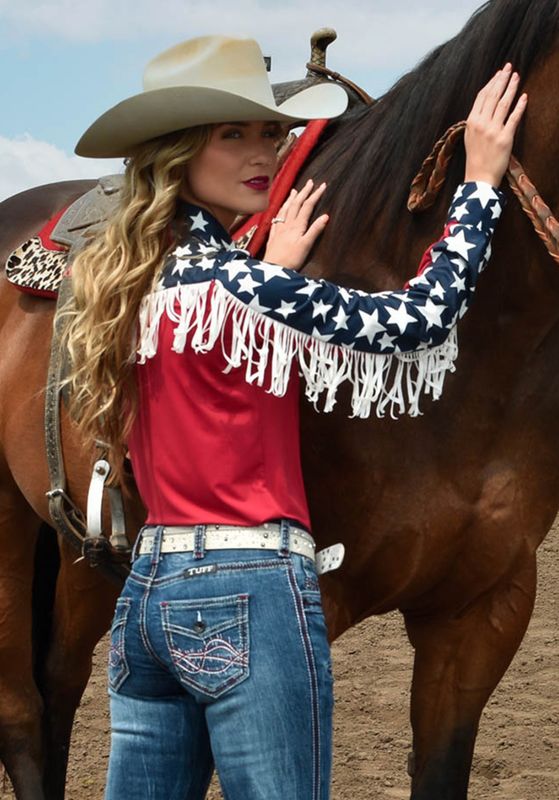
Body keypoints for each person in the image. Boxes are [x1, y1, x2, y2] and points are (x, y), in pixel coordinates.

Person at [64, 34, 526, 800]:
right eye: (233, 133)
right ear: (175, 152)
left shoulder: (134, 282)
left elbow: (207, 374)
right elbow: (422, 319)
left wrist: (272, 269)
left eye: (270, 131)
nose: (265, 152)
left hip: (148, 591)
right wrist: (478, 183)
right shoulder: (247, 290)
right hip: (250, 588)